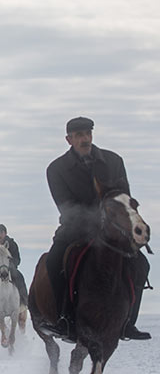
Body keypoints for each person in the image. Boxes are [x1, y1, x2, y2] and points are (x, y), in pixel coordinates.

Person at [45, 117, 151, 341]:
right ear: (69, 139)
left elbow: (124, 197)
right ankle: (65, 319)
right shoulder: (56, 169)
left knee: (142, 264)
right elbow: (67, 207)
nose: (85, 139)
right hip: (75, 231)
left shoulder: (113, 160)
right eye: (79, 135)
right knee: (54, 262)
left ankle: (128, 323)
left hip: (113, 232)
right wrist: (96, 222)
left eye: (88, 133)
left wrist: (122, 225)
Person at [0, 224, 28, 315]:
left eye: (1, 232)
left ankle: (25, 300)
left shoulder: (12, 244)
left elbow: (17, 259)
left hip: (10, 269)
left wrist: (11, 266)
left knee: (19, 277)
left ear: (5, 233)